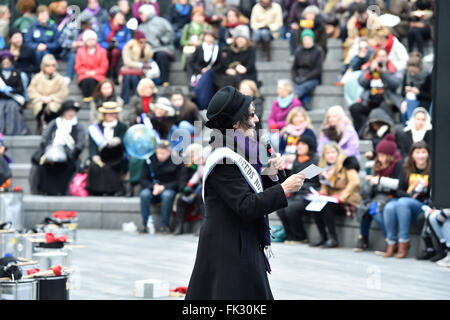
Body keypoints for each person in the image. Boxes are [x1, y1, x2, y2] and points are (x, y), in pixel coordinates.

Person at [185, 86, 305, 300]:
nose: (257, 119)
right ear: (234, 122)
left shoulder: (238, 150)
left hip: (241, 242)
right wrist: (284, 189)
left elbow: (253, 189)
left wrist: (271, 174)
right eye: (251, 114)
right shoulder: (224, 159)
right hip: (228, 248)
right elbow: (246, 205)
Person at [354, 134, 403, 252]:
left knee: (374, 209)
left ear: (389, 155)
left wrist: (380, 180)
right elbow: (368, 176)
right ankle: (363, 238)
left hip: (390, 195)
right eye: (379, 154)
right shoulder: (376, 164)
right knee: (364, 206)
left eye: (382, 155)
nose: (380, 157)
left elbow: (399, 184)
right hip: (376, 195)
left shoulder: (398, 165)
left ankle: (390, 240)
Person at [383, 141, 431, 258]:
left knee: (402, 203)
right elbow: (399, 190)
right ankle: (391, 242)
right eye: (417, 152)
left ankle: (404, 241)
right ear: (412, 155)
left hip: (422, 204)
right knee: (389, 207)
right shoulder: (406, 168)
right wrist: (410, 196)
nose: (421, 155)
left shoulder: (432, 169)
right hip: (406, 199)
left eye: (423, 152)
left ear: (428, 154)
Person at [312, 142, 361, 248]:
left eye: (333, 152)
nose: (331, 155)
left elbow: (355, 182)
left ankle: (333, 238)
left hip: (348, 199)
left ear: (338, 153)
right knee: (315, 206)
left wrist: (342, 197)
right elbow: (325, 187)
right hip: (332, 198)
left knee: (325, 207)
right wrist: (320, 195)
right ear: (324, 156)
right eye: (327, 153)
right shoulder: (325, 168)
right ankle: (323, 237)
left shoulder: (347, 163)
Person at [34, 100, 86, 195]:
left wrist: (73, 153)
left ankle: (61, 190)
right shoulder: (55, 123)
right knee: (45, 166)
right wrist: (46, 150)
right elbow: (45, 138)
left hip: (70, 154)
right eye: (68, 111)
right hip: (52, 151)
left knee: (69, 166)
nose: (71, 113)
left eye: (73, 111)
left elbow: (81, 143)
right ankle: (47, 189)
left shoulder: (78, 126)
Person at [276, 135, 320, 243]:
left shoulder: (316, 159)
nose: (299, 147)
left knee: (291, 208)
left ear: (309, 147)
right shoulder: (296, 160)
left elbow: (310, 180)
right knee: (280, 207)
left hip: (308, 193)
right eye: (298, 144)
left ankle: (300, 237)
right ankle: (290, 235)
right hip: (296, 193)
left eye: (303, 144)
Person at [349, 48, 403, 133]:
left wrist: (384, 73)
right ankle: (363, 132)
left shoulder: (392, 69)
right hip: (369, 101)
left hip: (387, 101)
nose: (382, 58)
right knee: (355, 108)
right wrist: (371, 71)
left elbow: (395, 84)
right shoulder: (369, 67)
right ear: (374, 58)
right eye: (379, 56)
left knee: (381, 109)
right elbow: (361, 82)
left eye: (384, 56)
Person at [139, 139, 182, 234]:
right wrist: (153, 187)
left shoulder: (176, 161)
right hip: (153, 188)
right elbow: (143, 178)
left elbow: (178, 181)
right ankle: (144, 224)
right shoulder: (150, 159)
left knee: (167, 196)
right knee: (144, 194)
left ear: (169, 152)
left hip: (168, 188)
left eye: (163, 153)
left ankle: (164, 225)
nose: (160, 156)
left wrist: (163, 187)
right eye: (158, 153)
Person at [86, 101, 128, 196]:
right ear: (104, 114)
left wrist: (118, 140)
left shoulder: (122, 127)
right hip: (101, 155)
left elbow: (125, 141)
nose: (112, 115)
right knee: (94, 166)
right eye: (110, 113)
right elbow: (92, 144)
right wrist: (94, 155)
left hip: (116, 155)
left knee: (111, 167)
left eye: (114, 113)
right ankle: (96, 190)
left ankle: (112, 190)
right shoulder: (97, 127)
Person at [27, 54, 69, 134]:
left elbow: (64, 92)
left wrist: (52, 98)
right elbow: (31, 90)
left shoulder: (60, 78)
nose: (51, 68)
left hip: (54, 101)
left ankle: (53, 128)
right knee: (40, 107)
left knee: (52, 107)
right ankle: (41, 127)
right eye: (48, 65)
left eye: (53, 65)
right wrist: (41, 98)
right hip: (40, 100)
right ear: (43, 66)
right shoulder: (37, 77)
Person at [173, 143, 209, 235]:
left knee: (200, 196)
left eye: (196, 154)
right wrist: (186, 189)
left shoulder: (204, 165)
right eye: (192, 155)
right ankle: (179, 225)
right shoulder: (186, 166)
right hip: (189, 191)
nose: (195, 157)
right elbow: (182, 181)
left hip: (203, 191)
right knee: (180, 198)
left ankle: (202, 225)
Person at [137, 4, 175, 87]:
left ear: (148, 13)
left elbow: (170, 33)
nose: (140, 16)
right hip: (147, 50)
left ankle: (164, 80)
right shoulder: (140, 26)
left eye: (141, 14)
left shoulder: (161, 21)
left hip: (162, 47)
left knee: (161, 55)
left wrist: (162, 40)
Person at [212, 25, 257, 90]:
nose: (240, 40)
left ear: (246, 40)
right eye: (238, 38)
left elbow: (250, 65)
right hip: (232, 73)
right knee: (225, 78)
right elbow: (226, 63)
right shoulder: (230, 49)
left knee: (233, 79)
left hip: (247, 74)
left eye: (243, 38)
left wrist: (244, 69)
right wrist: (230, 69)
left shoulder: (250, 50)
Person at [58, 10, 95, 86]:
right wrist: (73, 44)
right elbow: (61, 41)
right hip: (70, 52)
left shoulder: (92, 28)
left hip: (86, 53)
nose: (91, 25)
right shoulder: (71, 26)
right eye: (89, 24)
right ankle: (68, 77)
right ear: (83, 23)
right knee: (73, 56)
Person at [291, 29, 323, 109]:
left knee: (302, 88)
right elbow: (294, 67)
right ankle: (302, 104)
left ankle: (293, 102)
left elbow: (318, 69)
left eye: (309, 39)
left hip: (312, 78)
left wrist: (306, 78)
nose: (307, 41)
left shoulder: (318, 51)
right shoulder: (298, 51)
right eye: (305, 39)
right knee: (295, 86)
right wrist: (295, 78)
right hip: (299, 77)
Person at [74, 30, 109, 103]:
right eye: (88, 40)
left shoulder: (102, 51)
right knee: (86, 81)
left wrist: (94, 72)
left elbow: (104, 66)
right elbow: (78, 66)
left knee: (93, 81)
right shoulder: (80, 51)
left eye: (92, 39)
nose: (91, 42)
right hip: (84, 75)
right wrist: (87, 72)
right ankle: (86, 98)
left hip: (98, 75)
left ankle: (94, 98)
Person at [98, 6, 131, 84]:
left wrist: (118, 45)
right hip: (106, 51)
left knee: (117, 53)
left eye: (122, 15)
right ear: (113, 17)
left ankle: (116, 74)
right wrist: (108, 45)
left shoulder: (125, 28)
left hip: (120, 52)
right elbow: (100, 41)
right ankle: (107, 74)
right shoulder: (105, 27)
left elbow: (128, 42)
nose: (122, 17)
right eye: (119, 15)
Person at [120, 30, 153, 105]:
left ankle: (137, 99)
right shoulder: (129, 47)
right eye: (141, 42)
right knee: (128, 78)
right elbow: (127, 62)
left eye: (144, 41)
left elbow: (149, 61)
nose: (143, 44)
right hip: (129, 70)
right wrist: (140, 65)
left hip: (141, 72)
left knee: (135, 78)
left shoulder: (147, 48)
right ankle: (125, 100)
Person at [0, 50, 28, 136]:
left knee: (12, 108)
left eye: (7, 63)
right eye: (3, 63)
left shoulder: (17, 73)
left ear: (11, 63)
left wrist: (12, 89)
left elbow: (21, 89)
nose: (5, 65)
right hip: (1, 98)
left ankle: (11, 131)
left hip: (13, 98)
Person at [279, 107, 316, 171]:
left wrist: (297, 158)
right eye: (296, 116)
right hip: (286, 165)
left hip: (304, 164)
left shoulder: (309, 132)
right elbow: (280, 149)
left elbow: (314, 150)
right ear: (291, 119)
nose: (300, 119)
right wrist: (285, 157)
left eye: (302, 116)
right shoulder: (285, 132)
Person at [399, 53, 431, 125]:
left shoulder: (427, 76)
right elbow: (402, 93)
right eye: (410, 72)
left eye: (414, 72)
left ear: (419, 68)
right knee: (404, 105)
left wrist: (418, 92)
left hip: (423, 100)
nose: (412, 74)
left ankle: (411, 122)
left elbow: (430, 96)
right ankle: (408, 125)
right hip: (409, 99)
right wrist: (406, 92)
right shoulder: (407, 74)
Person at [6, 31, 39, 101]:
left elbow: (36, 66)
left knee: (22, 76)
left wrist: (27, 70)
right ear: (11, 39)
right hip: (8, 73)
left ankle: (25, 99)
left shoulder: (28, 50)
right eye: (16, 37)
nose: (19, 39)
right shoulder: (6, 50)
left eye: (20, 37)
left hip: (24, 72)